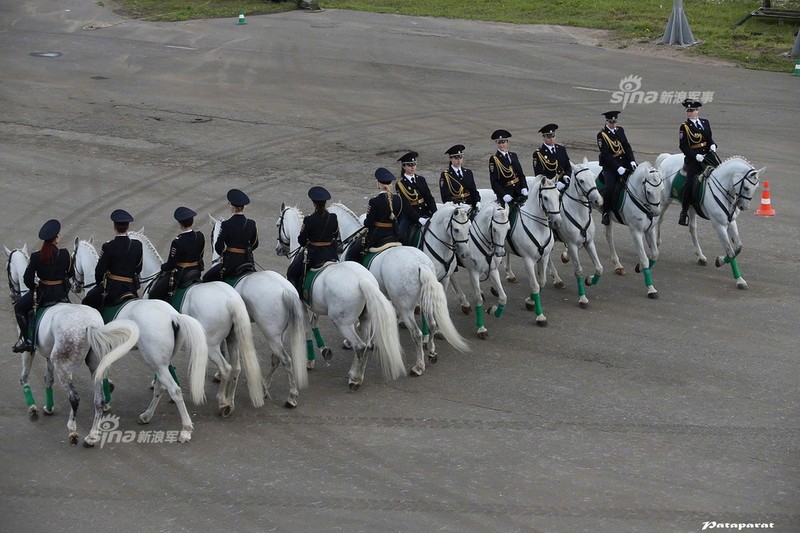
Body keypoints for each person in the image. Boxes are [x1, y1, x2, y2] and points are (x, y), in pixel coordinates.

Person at [12, 219, 74, 353]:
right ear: (56, 238)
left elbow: (27, 279)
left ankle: (27, 341)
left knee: (19, 308)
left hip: (43, 294)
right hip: (61, 294)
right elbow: (70, 274)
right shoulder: (65, 254)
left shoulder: (36, 256)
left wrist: (34, 287)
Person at [82, 209, 143, 310]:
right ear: (128, 226)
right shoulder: (137, 245)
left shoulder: (108, 246)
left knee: (87, 301)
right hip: (130, 288)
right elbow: (138, 268)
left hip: (113, 289)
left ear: (114, 226)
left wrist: (100, 285)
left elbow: (99, 271)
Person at [287, 187, 340, 296]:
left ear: (313, 203)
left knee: (292, 272)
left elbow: (301, 241)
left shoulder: (309, 220)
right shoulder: (333, 217)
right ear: (325, 203)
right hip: (331, 253)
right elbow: (335, 234)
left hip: (315, 255)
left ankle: (298, 297)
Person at [346, 168, 404, 262]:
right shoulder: (398, 199)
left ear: (378, 185)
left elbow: (369, 223)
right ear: (390, 184)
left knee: (352, 253)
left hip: (377, 237)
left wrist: (365, 223)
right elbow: (400, 219)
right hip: (393, 235)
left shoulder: (374, 201)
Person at [150, 207, 205, 301]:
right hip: (196, 271)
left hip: (182, 273)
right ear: (192, 221)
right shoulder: (200, 236)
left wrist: (163, 267)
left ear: (180, 223)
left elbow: (171, 265)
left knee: (154, 294)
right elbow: (201, 254)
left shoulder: (178, 242)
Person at [202, 188, 258, 281]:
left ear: (232, 207)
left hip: (231, 264)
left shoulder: (226, 224)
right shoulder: (251, 223)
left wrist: (226, 255)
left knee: (206, 277)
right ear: (244, 207)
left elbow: (218, 247)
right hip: (248, 262)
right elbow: (255, 244)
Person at [678, 98, 716, 226]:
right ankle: (684, 211)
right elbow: (683, 147)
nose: (690, 113)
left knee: (721, 170)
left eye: (692, 110)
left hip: (707, 155)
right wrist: (695, 156)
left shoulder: (705, 122)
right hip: (694, 159)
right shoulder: (684, 127)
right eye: (688, 111)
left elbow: (709, 138)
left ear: (697, 111)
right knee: (689, 183)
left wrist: (713, 145)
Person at [597, 111, 637, 225]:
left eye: (615, 122)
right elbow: (606, 155)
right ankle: (606, 213)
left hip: (624, 162)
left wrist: (632, 161)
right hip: (610, 166)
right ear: (606, 121)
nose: (613, 124)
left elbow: (626, 146)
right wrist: (617, 168)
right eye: (611, 122)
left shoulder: (620, 130)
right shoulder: (601, 135)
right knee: (609, 188)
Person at [396, 151, 437, 244]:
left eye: (414, 164)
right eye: (410, 165)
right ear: (403, 166)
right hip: (410, 215)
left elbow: (429, 198)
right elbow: (406, 205)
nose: (413, 167)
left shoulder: (421, 179)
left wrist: (435, 213)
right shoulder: (401, 184)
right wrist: (418, 219)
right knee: (401, 235)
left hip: (424, 211)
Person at [489, 129, 527, 207]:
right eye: (499, 142)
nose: (501, 145)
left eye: (503, 142)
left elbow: (521, 175)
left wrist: (524, 187)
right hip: (506, 192)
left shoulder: (513, 155)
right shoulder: (494, 159)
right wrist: (504, 195)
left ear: (507, 142)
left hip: (518, 190)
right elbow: (494, 182)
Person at [439, 144, 481, 210]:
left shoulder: (468, 173)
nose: (459, 160)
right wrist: (459, 204)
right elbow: (445, 198)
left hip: (470, 205)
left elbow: (473, 191)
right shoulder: (445, 175)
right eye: (456, 158)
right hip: (456, 208)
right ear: (450, 158)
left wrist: (477, 201)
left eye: (460, 157)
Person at [532, 124, 572, 190]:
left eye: (553, 136)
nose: (551, 139)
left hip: (564, 183)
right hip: (549, 187)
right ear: (543, 137)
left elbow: (568, 166)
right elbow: (539, 175)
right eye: (548, 136)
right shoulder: (539, 153)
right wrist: (554, 183)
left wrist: (567, 176)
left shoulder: (561, 149)